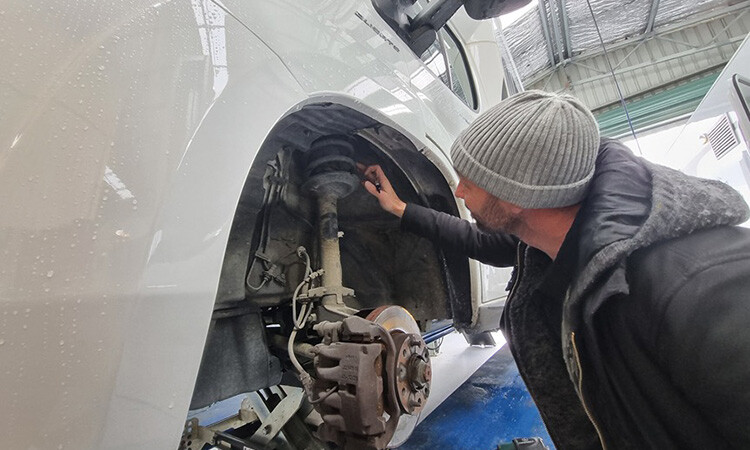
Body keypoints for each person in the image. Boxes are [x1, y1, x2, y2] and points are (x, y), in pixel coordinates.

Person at [359, 90, 750, 449]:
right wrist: (401, 209)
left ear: (517, 197)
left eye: (470, 182)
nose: (458, 191)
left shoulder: (704, 287)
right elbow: (487, 243)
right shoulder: (548, 232)